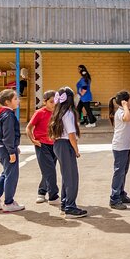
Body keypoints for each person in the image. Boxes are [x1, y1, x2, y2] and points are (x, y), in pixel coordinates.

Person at [48, 87, 87, 218]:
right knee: (72, 177)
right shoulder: (69, 113)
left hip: (58, 145)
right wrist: (76, 150)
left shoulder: (57, 112)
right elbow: (71, 135)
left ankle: (65, 204)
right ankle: (70, 207)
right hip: (66, 145)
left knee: (66, 176)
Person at [0, 89, 25, 213]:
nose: (18, 100)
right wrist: (11, 151)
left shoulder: (0, 112)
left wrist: (13, 148)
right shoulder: (8, 115)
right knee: (11, 175)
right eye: (15, 99)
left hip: (1, 147)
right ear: (8, 102)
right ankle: (9, 202)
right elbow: (8, 135)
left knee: (6, 172)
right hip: (5, 148)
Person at [26, 90, 60, 205]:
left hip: (54, 144)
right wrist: (33, 140)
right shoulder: (39, 113)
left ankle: (41, 192)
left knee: (48, 171)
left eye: (56, 101)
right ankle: (53, 196)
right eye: (51, 102)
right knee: (50, 171)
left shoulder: (57, 113)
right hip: (42, 145)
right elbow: (28, 128)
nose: (54, 104)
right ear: (45, 102)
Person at [108, 91, 130, 210]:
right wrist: (125, 106)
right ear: (124, 102)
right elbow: (127, 118)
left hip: (126, 146)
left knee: (124, 171)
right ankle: (114, 198)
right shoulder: (120, 112)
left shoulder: (125, 111)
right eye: (129, 100)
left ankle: (120, 193)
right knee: (119, 172)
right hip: (120, 147)